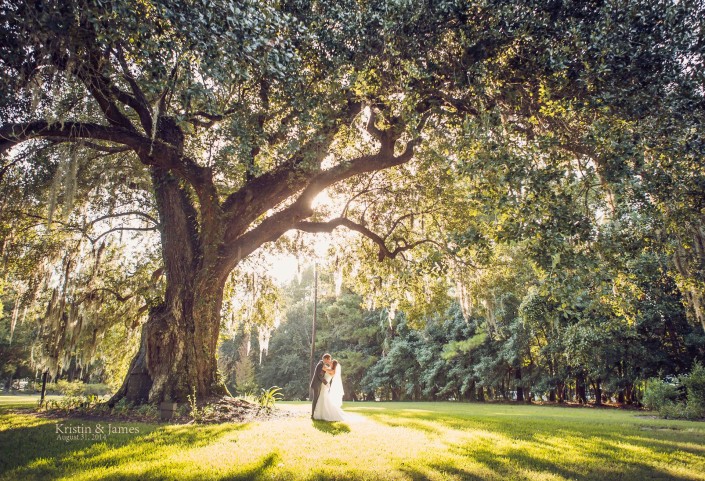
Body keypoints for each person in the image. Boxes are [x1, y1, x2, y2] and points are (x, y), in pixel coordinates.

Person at [310, 353, 331, 419]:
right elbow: (320, 375)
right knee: (315, 399)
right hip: (316, 384)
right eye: (329, 359)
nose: (329, 361)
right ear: (325, 359)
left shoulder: (322, 364)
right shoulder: (320, 365)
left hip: (318, 384)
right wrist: (326, 383)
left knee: (316, 399)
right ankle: (313, 415)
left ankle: (315, 414)